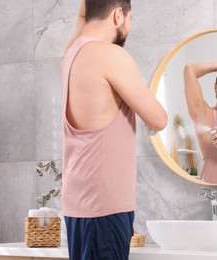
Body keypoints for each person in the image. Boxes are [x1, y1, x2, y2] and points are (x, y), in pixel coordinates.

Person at [60, 0, 167, 259]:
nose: (129, 26)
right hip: (105, 206)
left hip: (78, 204)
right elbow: (159, 119)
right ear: (118, 15)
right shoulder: (110, 55)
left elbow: (84, 13)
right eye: (130, 19)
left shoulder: (71, 54)